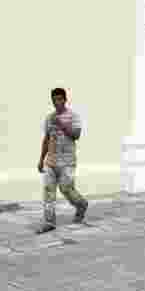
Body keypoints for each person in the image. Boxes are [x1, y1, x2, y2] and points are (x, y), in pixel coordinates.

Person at [36, 87, 88, 233]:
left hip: (67, 162)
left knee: (66, 189)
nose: (57, 102)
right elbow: (46, 139)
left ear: (65, 99)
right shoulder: (49, 118)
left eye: (59, 99)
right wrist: (41, 159)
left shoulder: (73, 116)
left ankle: (81, 204)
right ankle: (49, 222)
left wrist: (61, 124)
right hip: (51, 161)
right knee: (48, 192)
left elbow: (76, 134)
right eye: (54, 100)